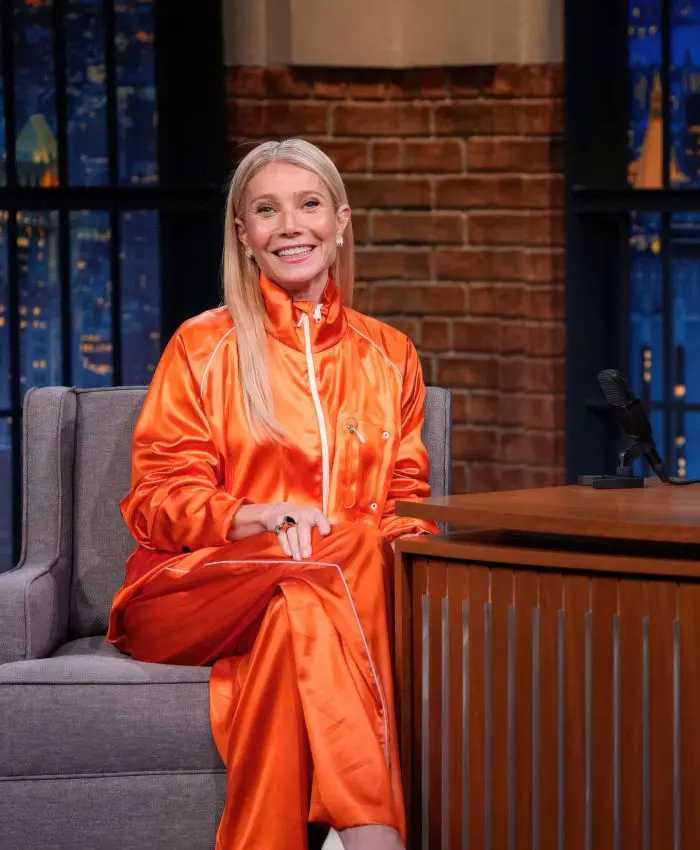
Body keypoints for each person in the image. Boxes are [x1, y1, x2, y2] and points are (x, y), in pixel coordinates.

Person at [106, 138, 439, 850]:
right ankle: (374, 831)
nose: (290, 226)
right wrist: (250, 515)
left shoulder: (390, 357)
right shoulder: (203, 347)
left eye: (308, 204)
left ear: (340, 221)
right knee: (345, 550)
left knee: (303, 608)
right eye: (266, 210)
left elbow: (407, 506)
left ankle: (360, 836)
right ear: (243, 232)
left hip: (320, 598)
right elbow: (156, 498)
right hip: (193, 593)